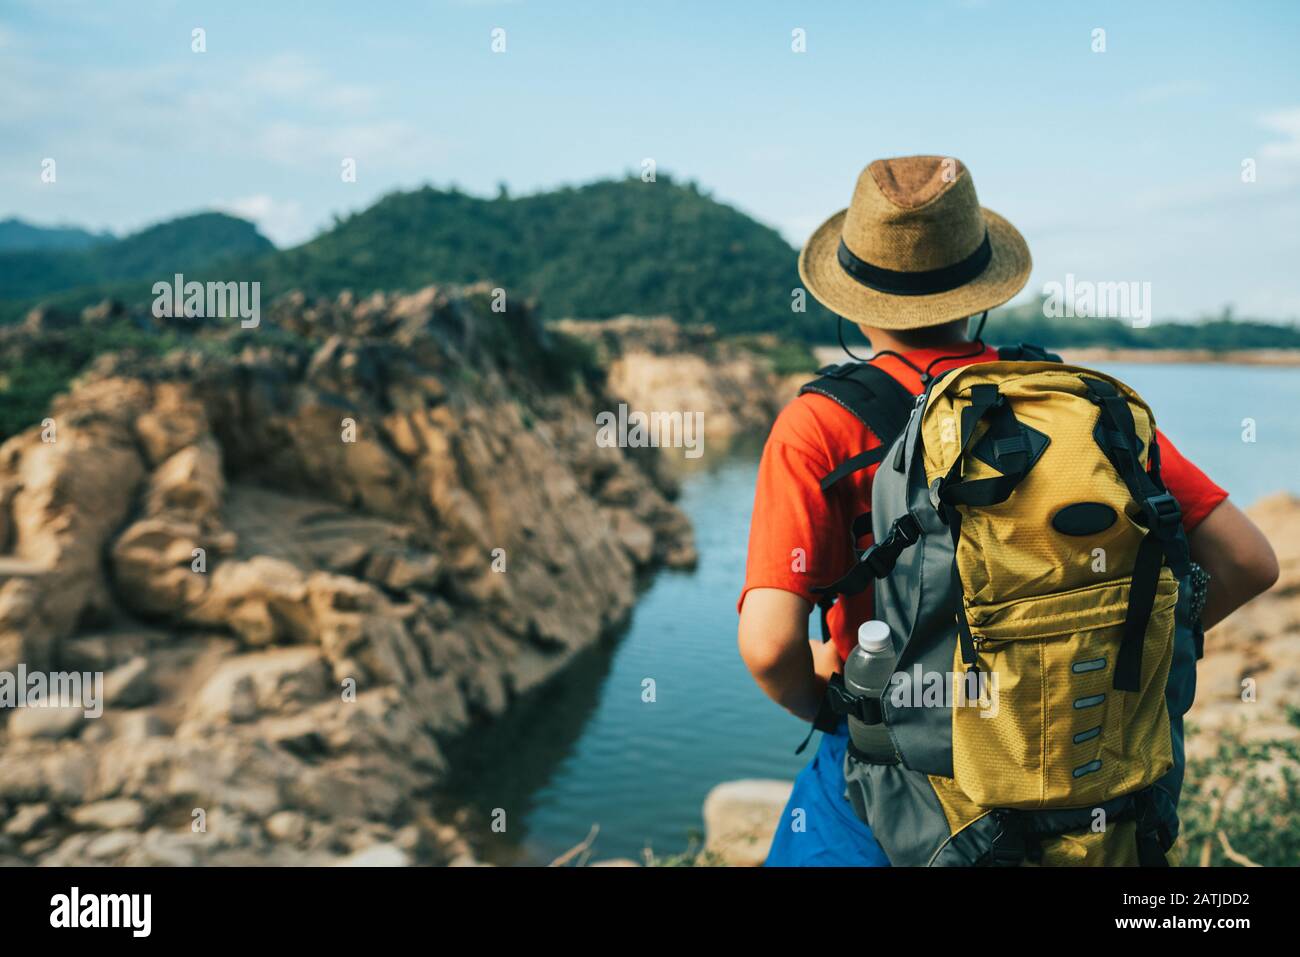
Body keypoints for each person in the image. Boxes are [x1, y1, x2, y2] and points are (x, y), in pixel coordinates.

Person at [736, 155, 1280, 866]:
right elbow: (1248, 561)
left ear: (851, 298)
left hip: (893, 779)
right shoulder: (1077, 407)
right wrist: (1107, 658)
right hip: (1080, 760)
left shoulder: (818, 425)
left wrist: (856, 709)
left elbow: (770, 647)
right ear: (980, 286)